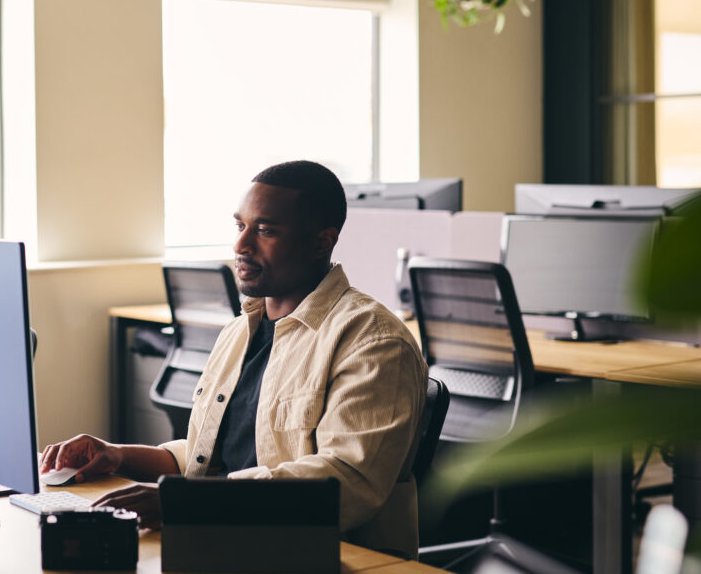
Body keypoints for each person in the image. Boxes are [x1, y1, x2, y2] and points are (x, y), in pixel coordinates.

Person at [40, 160, 428, 557]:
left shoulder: (373, 341)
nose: (241, 245)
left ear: (320, 241)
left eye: (264, 230)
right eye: (240, 226)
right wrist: (118, 455)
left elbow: (345, 483)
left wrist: (185, 503)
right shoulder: (238, 331)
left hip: (320, 556)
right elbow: (206, 459)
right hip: (219, 541)